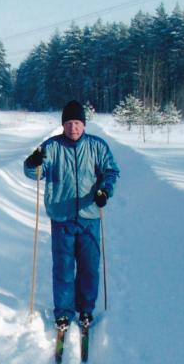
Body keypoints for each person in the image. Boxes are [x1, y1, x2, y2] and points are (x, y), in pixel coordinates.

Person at [23, 100, 120, 331]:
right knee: (64, 267)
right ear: (63, 125)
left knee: (88, 267)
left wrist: (104, 191)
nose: (73, 128)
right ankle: (64, 312)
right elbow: (33, 171)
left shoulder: (98, 146)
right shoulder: (52, 147)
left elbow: (111, 171)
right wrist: (32, 162)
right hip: (62, 217)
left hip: (90, 216)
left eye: (77, 123)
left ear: (84, 125)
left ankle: (86, 309)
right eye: (68, 123)